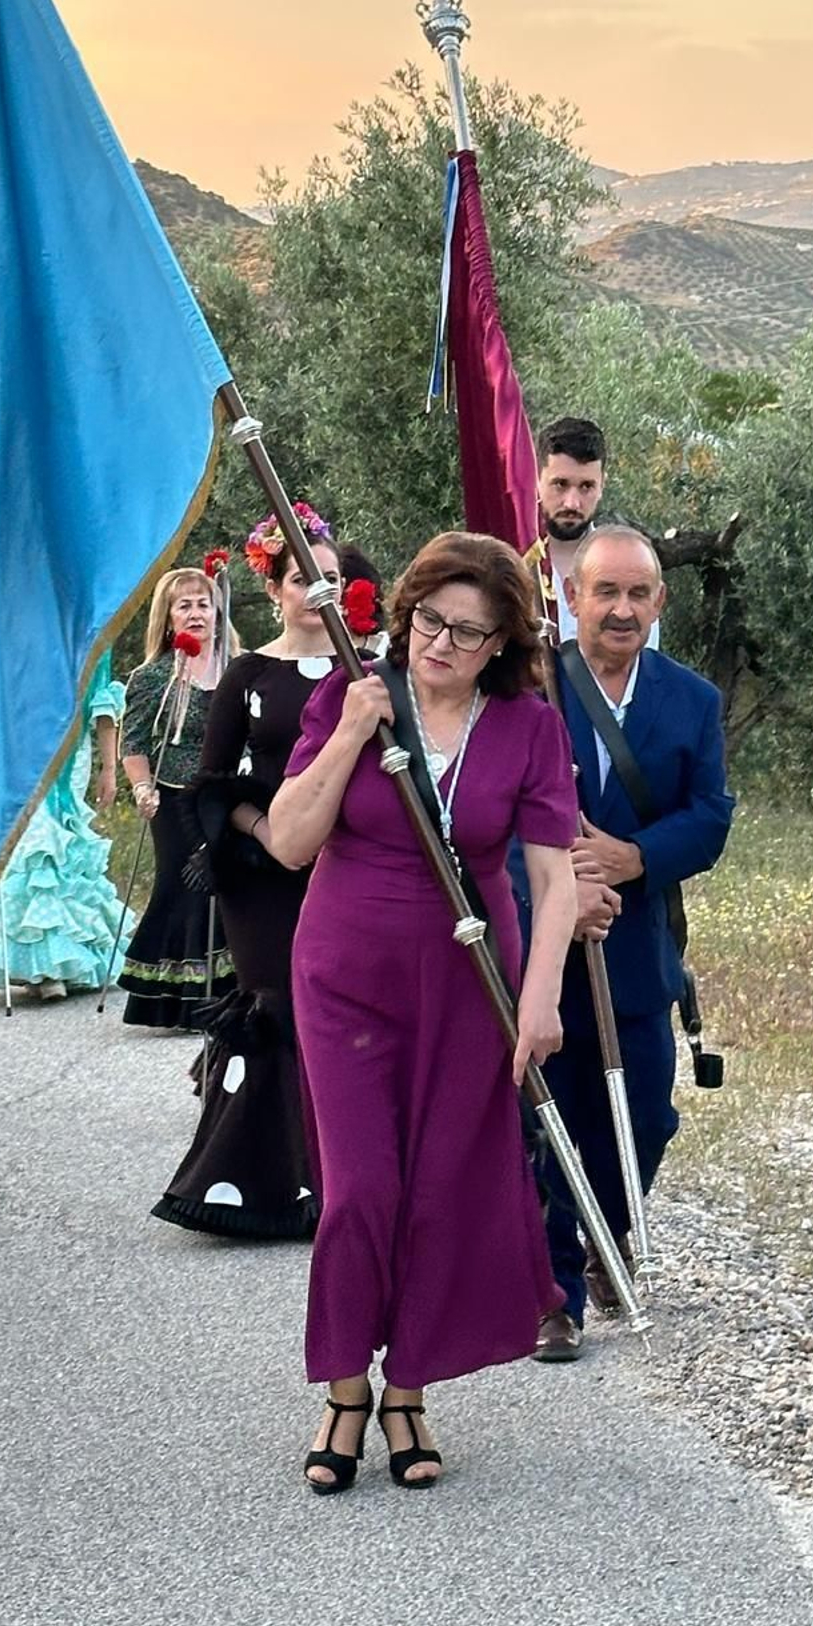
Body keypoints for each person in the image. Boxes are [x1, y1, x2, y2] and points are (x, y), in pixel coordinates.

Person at [268, 531, 578, 1492]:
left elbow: (553, 880)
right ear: (403, 615)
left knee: (441, 1185)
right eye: (428, 620)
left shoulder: (527, 726)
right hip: (346, 972)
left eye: (466, 632)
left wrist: (540, 1002)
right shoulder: (351, 695)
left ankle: (409, 1387)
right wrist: (356, 730)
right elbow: (286, 840)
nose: (440, 643)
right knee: (362, 1185)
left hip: (471, 983)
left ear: (499, 646)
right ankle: (343, 1385)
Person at [533, 525, 734, 1363]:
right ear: (572, 597)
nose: (620, 609)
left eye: (637, 594)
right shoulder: (527, 690)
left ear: (659, 603)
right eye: (604, 592)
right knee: (554, 1123)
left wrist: (635, 857)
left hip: (638, 951)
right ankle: (558, 1296)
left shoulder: (692, 701)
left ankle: (605, 1233)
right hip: (544, 951)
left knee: (646, 1116)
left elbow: (710, 815)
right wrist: (557, 884)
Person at [152, 508, 346, 1241]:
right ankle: (258, 1183)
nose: (318, 593)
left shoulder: (368, 670)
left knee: (339, 1004)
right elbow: (209, 782)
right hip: (263, 870)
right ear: (275, 590)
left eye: (330, 580)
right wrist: (268, 833)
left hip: (348, 865)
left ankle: (337, 1179)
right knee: (276, 998)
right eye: (304, 580)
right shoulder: (249, 672)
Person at [0, 654, 132, 1001]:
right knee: (32, 843)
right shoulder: (19, 629)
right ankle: (33, 961)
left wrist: (109, 768)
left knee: (60, 840)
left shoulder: (91, 625)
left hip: (69, 754)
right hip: (21, 749)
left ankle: (64, 959)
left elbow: (103, 705)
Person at [118, 566, 236, 1029]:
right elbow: (134, 741)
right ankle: (174, 999)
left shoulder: (238, 666)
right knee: (181, 882)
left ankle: (223, 990)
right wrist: (142, 787)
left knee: (225, 884)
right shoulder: (153, 678)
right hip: (173, 797)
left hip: (227, 794)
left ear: (217, 612)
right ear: (168, 618)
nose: (196, 613)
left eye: (203, 604)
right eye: (184, 605)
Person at [535, 418, 660, 649]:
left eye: (586, 487)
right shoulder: (515, 563)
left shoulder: (628, 569)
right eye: (560, 484)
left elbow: (641, 665)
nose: (572, 503)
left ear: (602, 485)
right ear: (536, 479)